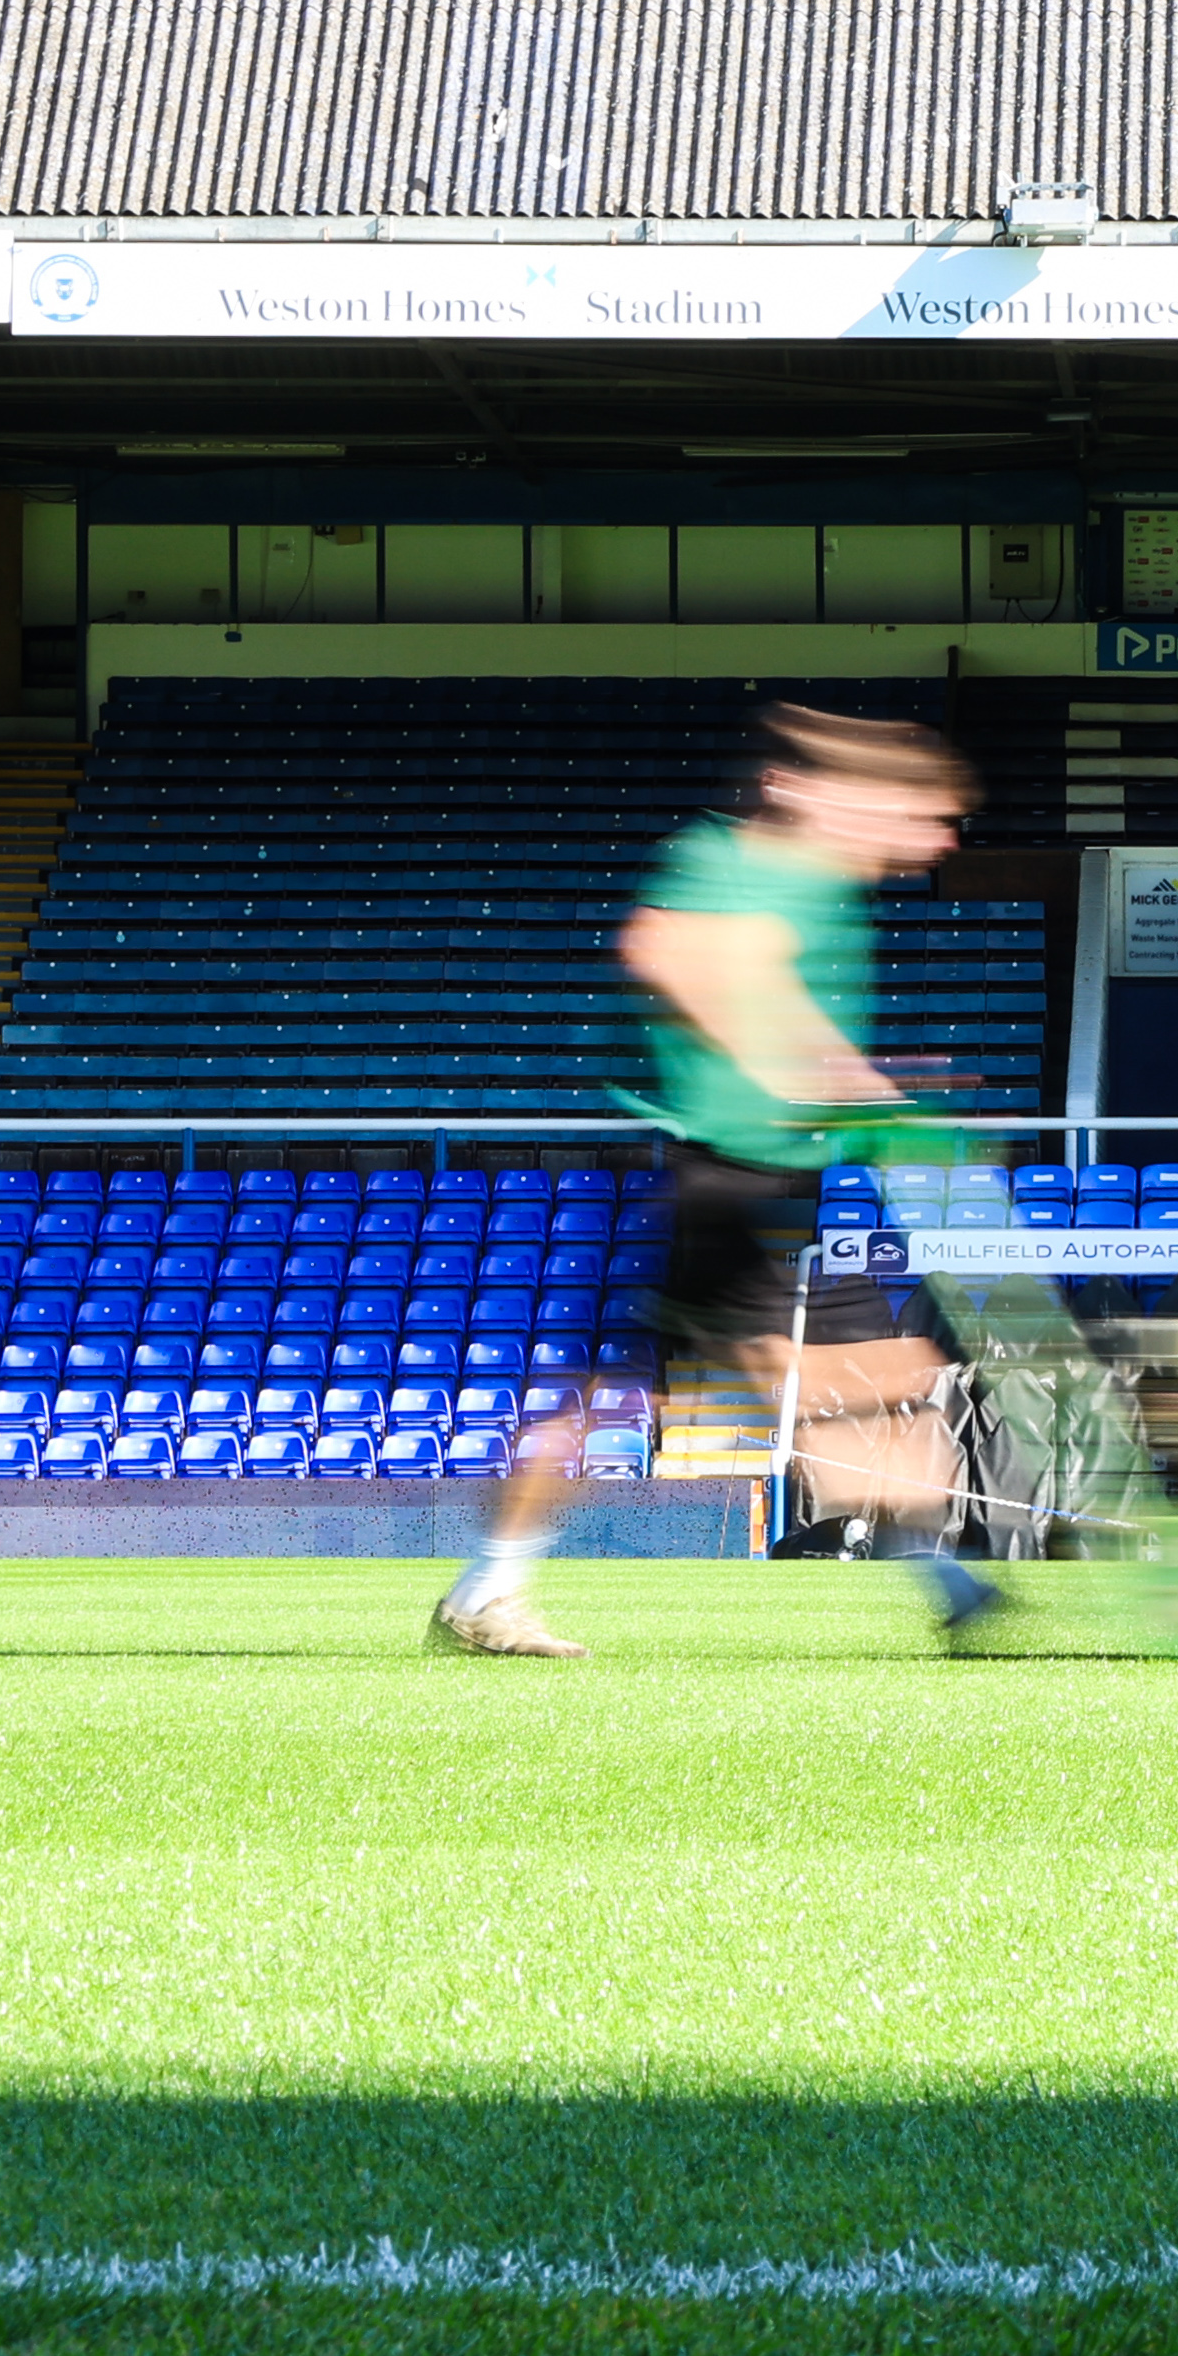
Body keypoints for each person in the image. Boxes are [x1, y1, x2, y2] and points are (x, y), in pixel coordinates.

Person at [435, 704, 978, 1658]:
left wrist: (864, 1091)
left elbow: (793, 1014)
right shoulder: (739, 862)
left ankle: (947, 1578)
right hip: (719, 1176)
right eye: (919, 813)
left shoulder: (830, 891)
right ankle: (490, 1588)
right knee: (667, 1385)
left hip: (781, 1183)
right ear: (833, 797)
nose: (937, 839)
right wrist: (799, 1070)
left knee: (858, 1382)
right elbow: (669, 953)